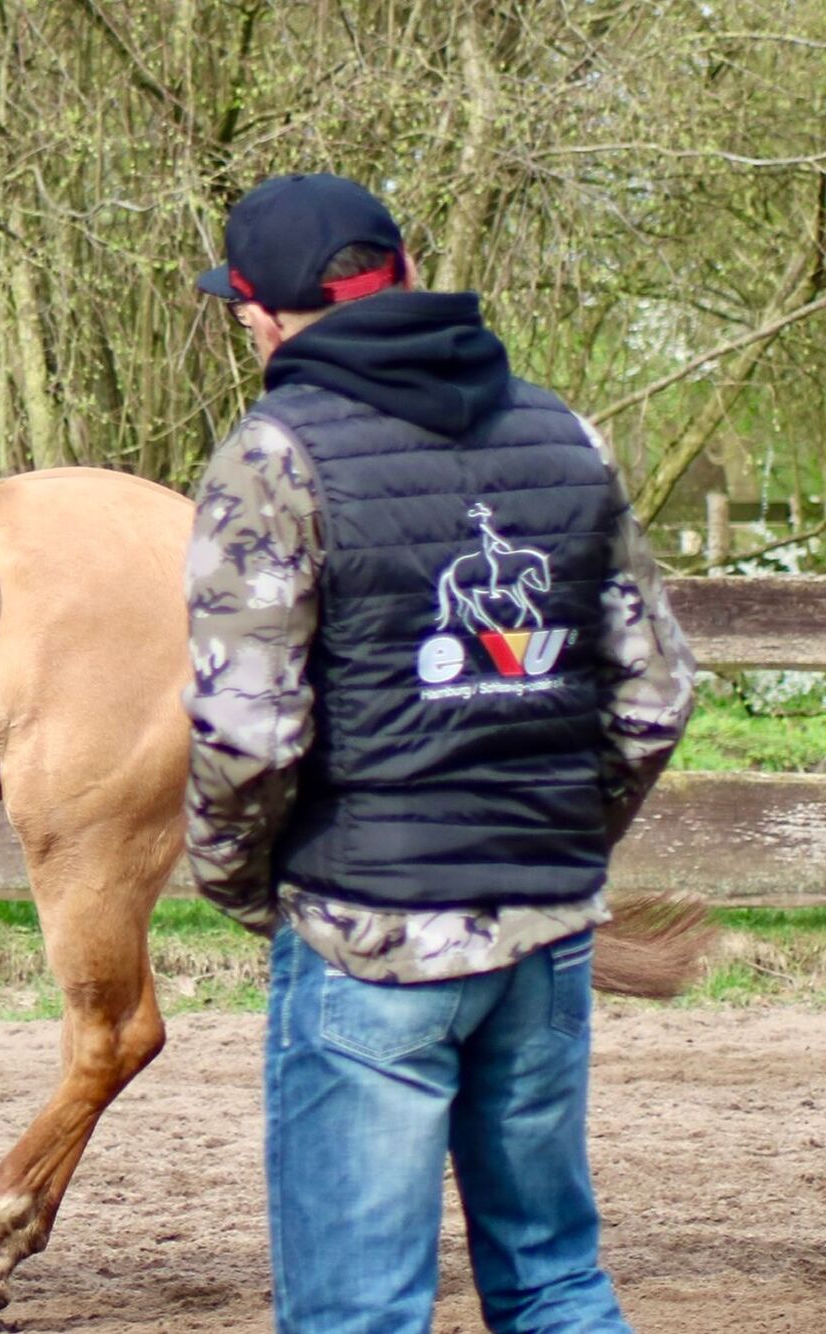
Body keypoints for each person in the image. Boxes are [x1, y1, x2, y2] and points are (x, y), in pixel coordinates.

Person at [182, 173, 696, 1332]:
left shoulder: (272, 460)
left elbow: (244, 734)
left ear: (258, 316)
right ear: (405, 266)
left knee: (357, 1309)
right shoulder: (563, 430)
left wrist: (240, 881)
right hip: (546, 924)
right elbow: (655, 692)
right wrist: (557, 831)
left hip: (369, 927)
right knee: (554, 1279)